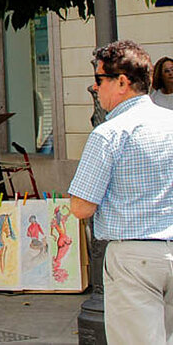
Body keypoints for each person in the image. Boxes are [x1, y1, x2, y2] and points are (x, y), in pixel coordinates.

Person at [68, 40, 173, 343]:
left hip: (134, 256)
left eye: (100, 80)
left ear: (123, 82)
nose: (95, 88)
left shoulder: (110, 133)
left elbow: (81, 207)